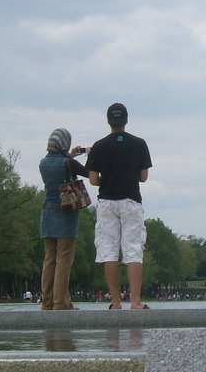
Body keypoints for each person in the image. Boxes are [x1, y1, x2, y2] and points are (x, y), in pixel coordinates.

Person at [86, 103, 153, 310]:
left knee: (109, 251)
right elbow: (143, 177)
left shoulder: (99, 146)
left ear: (108, 121)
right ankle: (135, 301)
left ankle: (115, 302)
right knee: (133, 250)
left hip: (107, 202)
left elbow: (93, 180)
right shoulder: (139, 144)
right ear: (126, 120)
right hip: (131, 200)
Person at [39, 127, 88, 310]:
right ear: (64, 144)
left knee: (49, 258)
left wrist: (70, 156)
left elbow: (60, 168)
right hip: (65, 214)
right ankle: (61, 303)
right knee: (64, 259)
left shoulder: (43, 163)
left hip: (47, 214)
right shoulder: (68, 163)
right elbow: (88, 172)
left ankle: (47, 302)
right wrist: (88, 155)